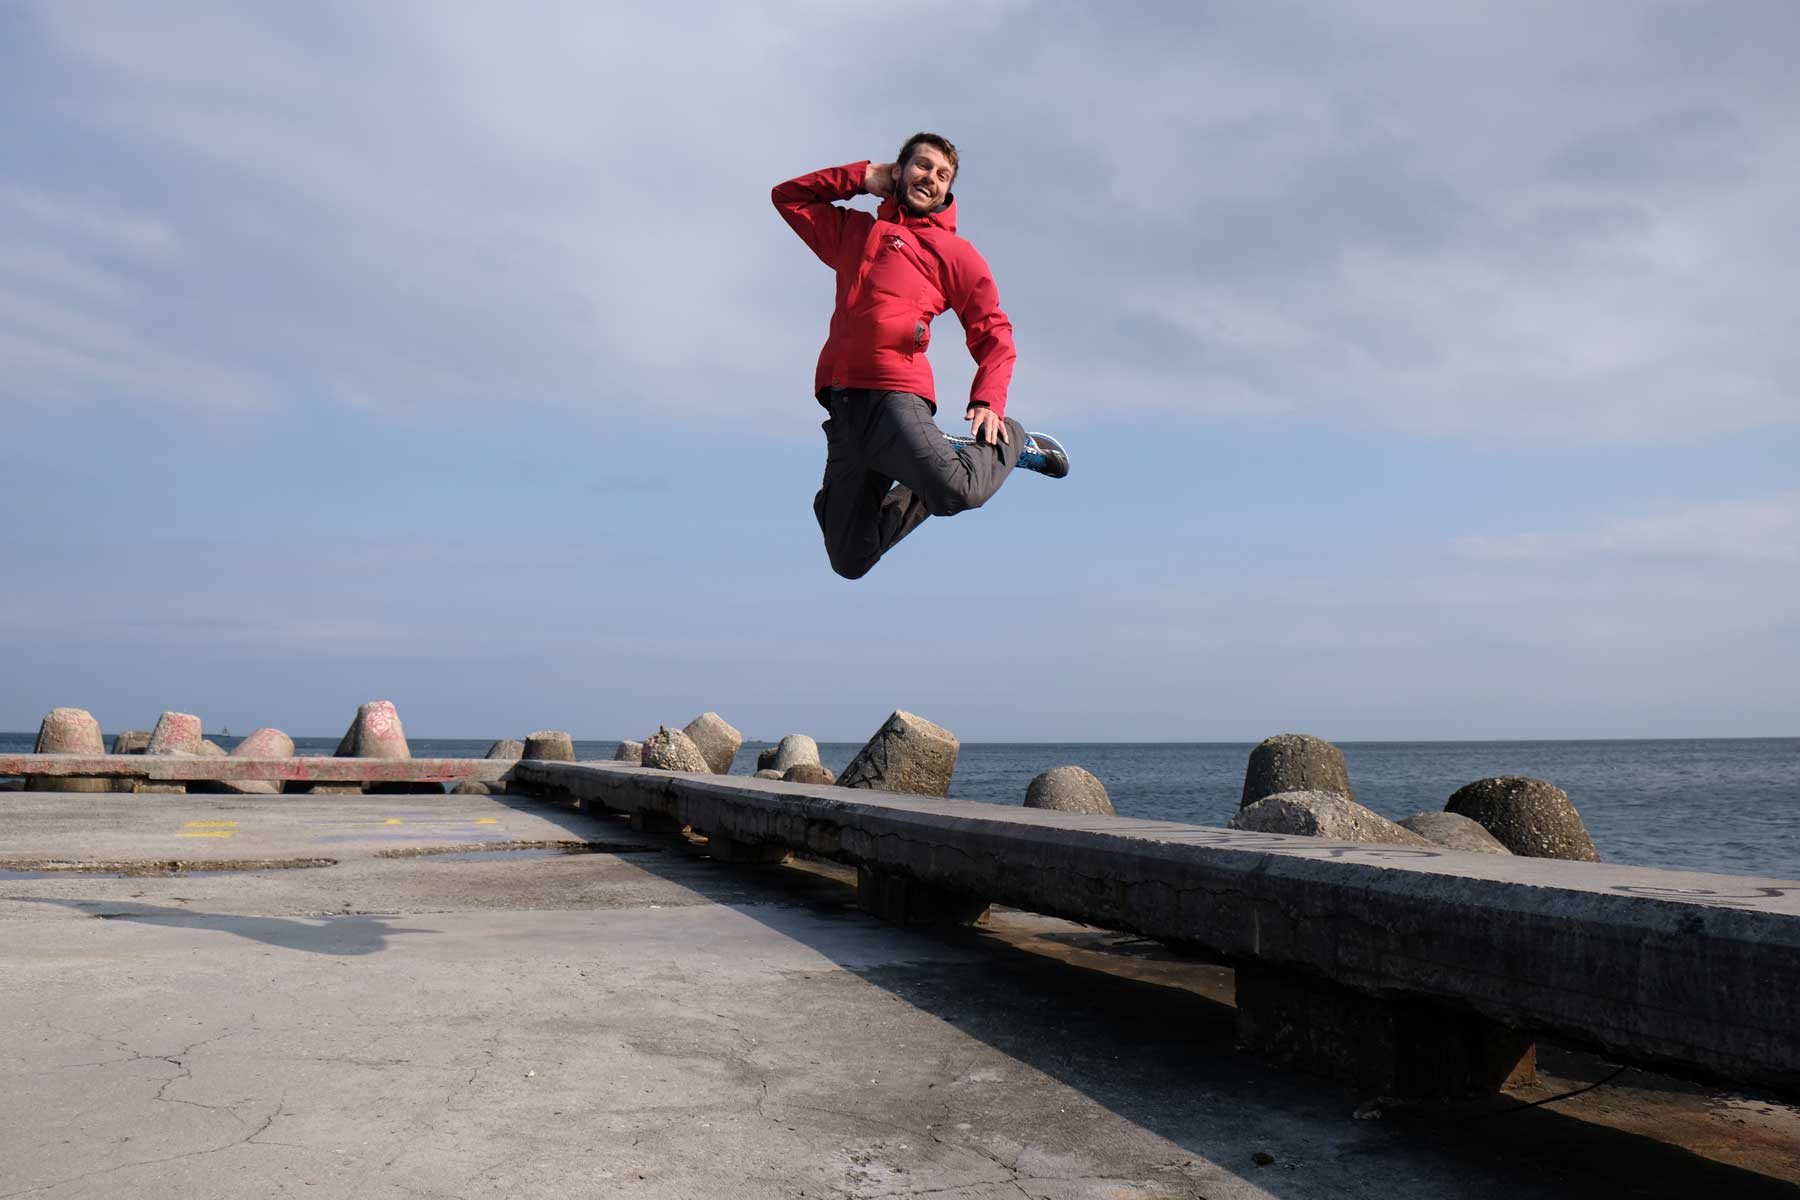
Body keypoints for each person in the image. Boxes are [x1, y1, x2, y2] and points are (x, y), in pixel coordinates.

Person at [772, 132, 1031, 580]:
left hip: (895, 397)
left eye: (943, 175)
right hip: (844, 407)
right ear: (899, 171)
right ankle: (916, 466)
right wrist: (860, 176)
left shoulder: (955, 253)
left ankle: (1009, 441)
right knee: (850, 559)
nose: (931, 178)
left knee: (957, 490)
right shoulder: (853, 233)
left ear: (949, 190)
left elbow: (994, 331)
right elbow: (789, 198)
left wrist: (989, 400)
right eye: (923, 166)